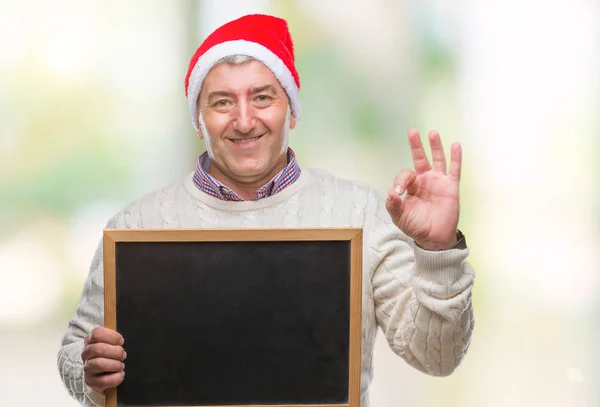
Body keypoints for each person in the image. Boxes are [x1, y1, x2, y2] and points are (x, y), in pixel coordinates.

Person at [57, 13, 475, 407]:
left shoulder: (360, 213)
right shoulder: (137, 224)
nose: (243, 120)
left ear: (290, 109)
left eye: (262, 97)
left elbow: (437, 357)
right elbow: (76, 352)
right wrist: (91, 371)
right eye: (222, 102)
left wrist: (437, 251)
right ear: (198, 120)